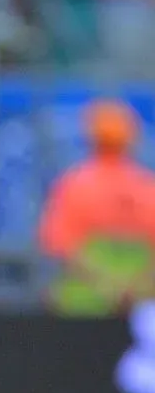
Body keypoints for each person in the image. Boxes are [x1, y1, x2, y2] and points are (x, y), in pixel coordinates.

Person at [38, 99, 155, 317]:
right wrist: (132, 289)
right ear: (132, 139)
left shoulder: (73, 185)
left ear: (90, 137)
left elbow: (59, 247)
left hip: (82, 311)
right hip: (142, 311)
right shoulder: (148, 187)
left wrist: (107, 286)